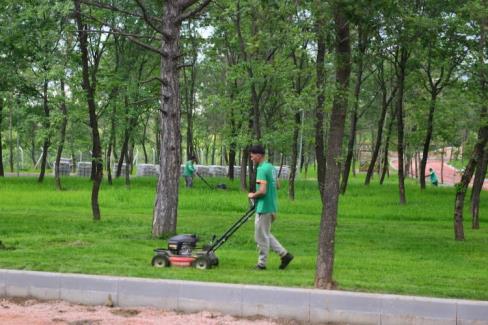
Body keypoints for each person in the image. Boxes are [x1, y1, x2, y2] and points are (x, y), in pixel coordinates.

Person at [247, 144, 293, 270]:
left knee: (260, 237)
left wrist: (252, 195)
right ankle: (285, 255)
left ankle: (262, 264)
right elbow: (277, 185)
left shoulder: (261, 169)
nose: (251, 159)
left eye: (252, 156)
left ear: (259, 155)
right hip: (271, 205)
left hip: (264, 206)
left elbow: (262, 191)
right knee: (265, 233)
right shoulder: (271, 167)